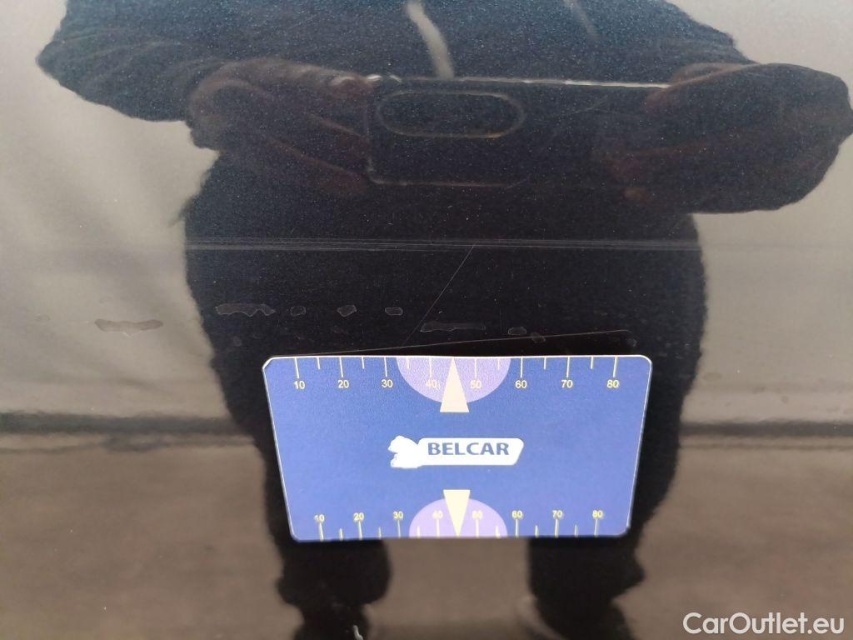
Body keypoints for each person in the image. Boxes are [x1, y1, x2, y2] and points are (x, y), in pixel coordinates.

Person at [38, 1, 853, 638]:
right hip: (311, 234)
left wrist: (733, 88)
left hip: (586, 237)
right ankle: (336, 609)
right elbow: (92, 34)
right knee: (317, 450)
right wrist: (197, 79)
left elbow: (647, 23)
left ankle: (574, 602)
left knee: (614, 443)